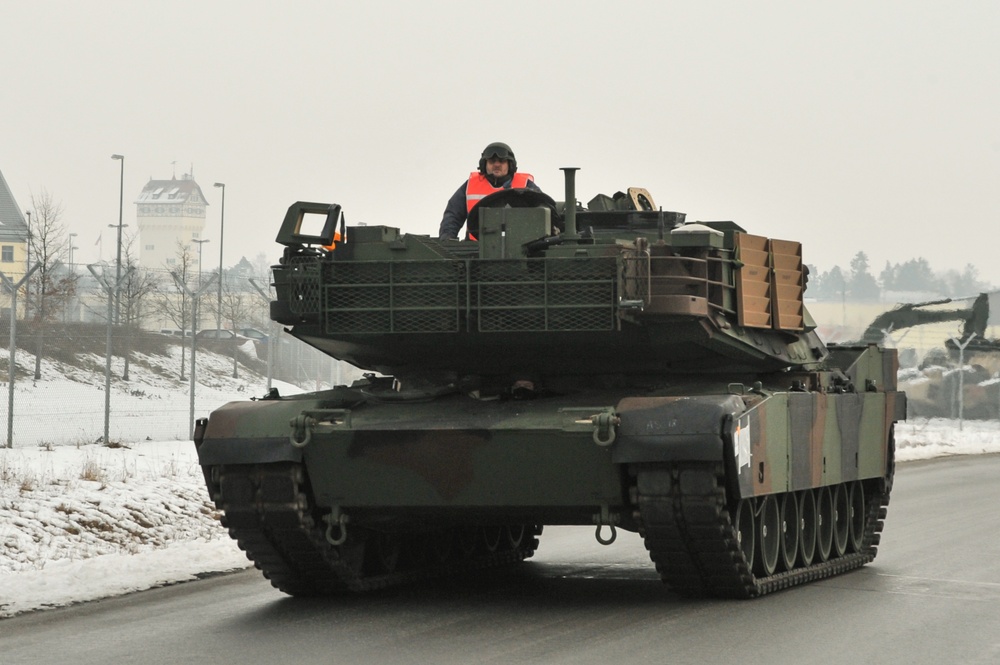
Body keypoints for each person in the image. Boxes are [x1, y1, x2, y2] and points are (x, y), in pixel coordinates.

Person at [438, 142, 541, 240]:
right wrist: (448, 238)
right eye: (491, 161)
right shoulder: (470, 185)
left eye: (501, 161)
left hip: (519, 248)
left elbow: (544, 210)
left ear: (510, 164)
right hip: (476, 251)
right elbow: (453, 215)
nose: (496, 165)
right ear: (484, 164)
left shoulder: (525, 185)